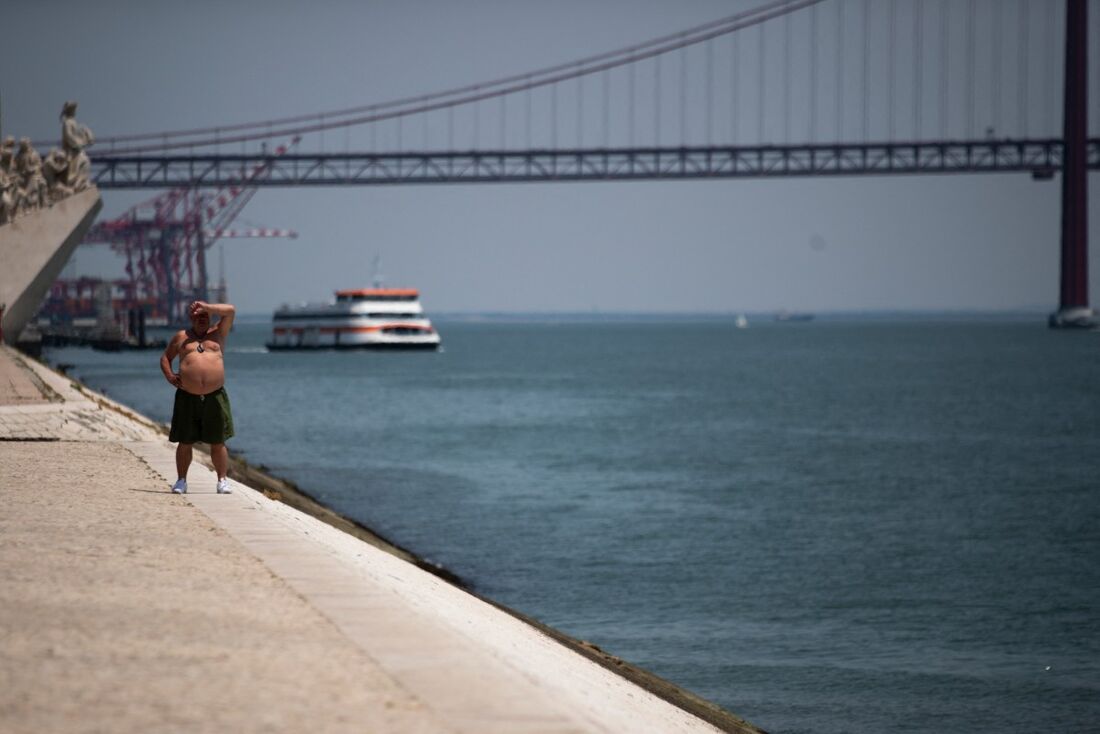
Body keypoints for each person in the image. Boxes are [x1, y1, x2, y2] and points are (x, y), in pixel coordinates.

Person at [160, 300, 236, 494]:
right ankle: (181, 481)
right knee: (185, 441)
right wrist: (169, 376)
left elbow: (230, 311)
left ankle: (222, 481)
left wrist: (208, 307)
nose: (202, 320)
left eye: (205, 316)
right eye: (198, 316)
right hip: (187, 396)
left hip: (215, 396)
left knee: (218, 442)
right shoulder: (181, 337)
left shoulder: (218, 333)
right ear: (191, 319)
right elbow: (165, 358)